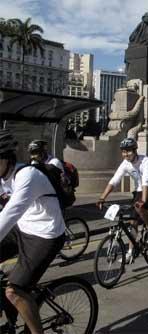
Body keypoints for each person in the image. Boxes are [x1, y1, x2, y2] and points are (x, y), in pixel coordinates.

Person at [0, 129, 65, 334]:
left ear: (7, 159)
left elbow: (9, 214)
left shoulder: (27, 175)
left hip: (45, 234)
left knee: (14, 291)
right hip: (22, 227)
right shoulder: (2, 176)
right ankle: (9, 321)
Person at [97, 138, 148, 262]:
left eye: (128, 151)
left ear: (135, 150)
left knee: (140, 207)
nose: (126, 154)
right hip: (139, 190)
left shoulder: (145, 160)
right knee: (133, 222)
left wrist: (142, 200)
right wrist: (102, 197)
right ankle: (130, 252)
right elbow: (115, 180)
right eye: (123, 152)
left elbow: (146, 180)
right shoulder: (125, 163)